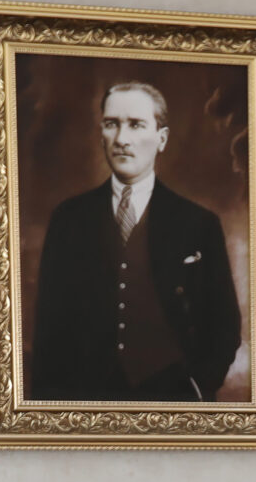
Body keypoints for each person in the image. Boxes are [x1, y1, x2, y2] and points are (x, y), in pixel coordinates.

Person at [28, 80, 242, 403]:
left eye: (136, 125)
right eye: (111, 124)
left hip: (174, 401)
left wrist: (199, 384)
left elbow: (224, 323)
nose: (122, 139)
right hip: (85, 402)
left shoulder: (199, 224)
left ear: (161, 138)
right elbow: (48, 328)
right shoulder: (68, 219)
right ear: (101, 133)